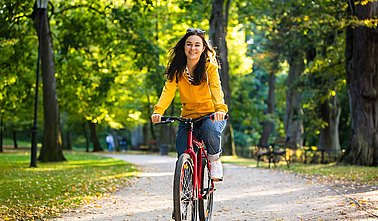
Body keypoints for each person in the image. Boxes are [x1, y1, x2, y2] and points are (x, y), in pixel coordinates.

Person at [151, 28, 228, 181]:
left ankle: (214, 160)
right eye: (189, 44)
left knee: (209, 129)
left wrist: (219, 108)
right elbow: (168, 91)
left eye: (197, 45)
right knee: (182, 148)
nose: (193, 48)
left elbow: (216, 88)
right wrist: (158, 111)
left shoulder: (209, 68)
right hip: (188, 117)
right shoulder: (177, 70)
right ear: (184, 47)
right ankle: (186, 184)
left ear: (203, 48)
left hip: (211, 115)